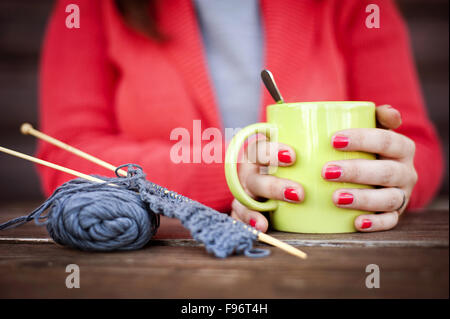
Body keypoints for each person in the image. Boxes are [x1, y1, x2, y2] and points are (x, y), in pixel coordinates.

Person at [38, 0, 443, 233]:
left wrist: (397, 175)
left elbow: (417, 148)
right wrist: (231, 171)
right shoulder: (92, 8)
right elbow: (63, 157)